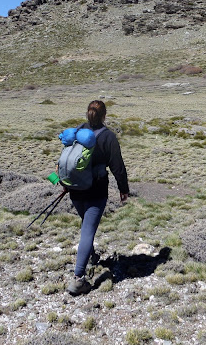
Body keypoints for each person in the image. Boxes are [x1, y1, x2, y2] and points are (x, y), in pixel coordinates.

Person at [65, 100, 129, 296]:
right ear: (104, 116)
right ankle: (78, 279)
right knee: (88, 230)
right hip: (96, 190)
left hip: (74, 189)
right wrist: (123, 189)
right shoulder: (108, 136)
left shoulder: (79, 131)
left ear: (88, 114)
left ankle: (92, 256)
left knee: (87, 223)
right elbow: (117, 166)